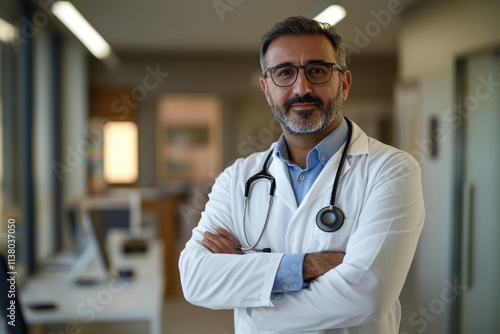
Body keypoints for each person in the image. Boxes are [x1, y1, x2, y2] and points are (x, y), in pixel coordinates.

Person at [179, 16, 424, 334]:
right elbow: (196, 279)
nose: (302, 88)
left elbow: (368, 293)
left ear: (345, 84)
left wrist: (250, 298)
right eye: (284, 73)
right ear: (266, 90)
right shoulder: (236, 179)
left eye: (317, 71)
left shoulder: (391, 170)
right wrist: (307, 265)